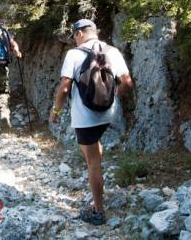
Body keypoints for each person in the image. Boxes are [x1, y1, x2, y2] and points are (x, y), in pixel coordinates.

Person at [50, 19, 134, 226]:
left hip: (85, 117)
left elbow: (64, 88)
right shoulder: (112, 51)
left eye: (74, 36)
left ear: (79, 33)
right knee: (94, 149)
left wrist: (56, 110)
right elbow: (127, 83)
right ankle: (97, 178)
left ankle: (98, 211)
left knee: (92, 162)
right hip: (108, 114)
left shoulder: (74, 54)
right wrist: (111, 95)